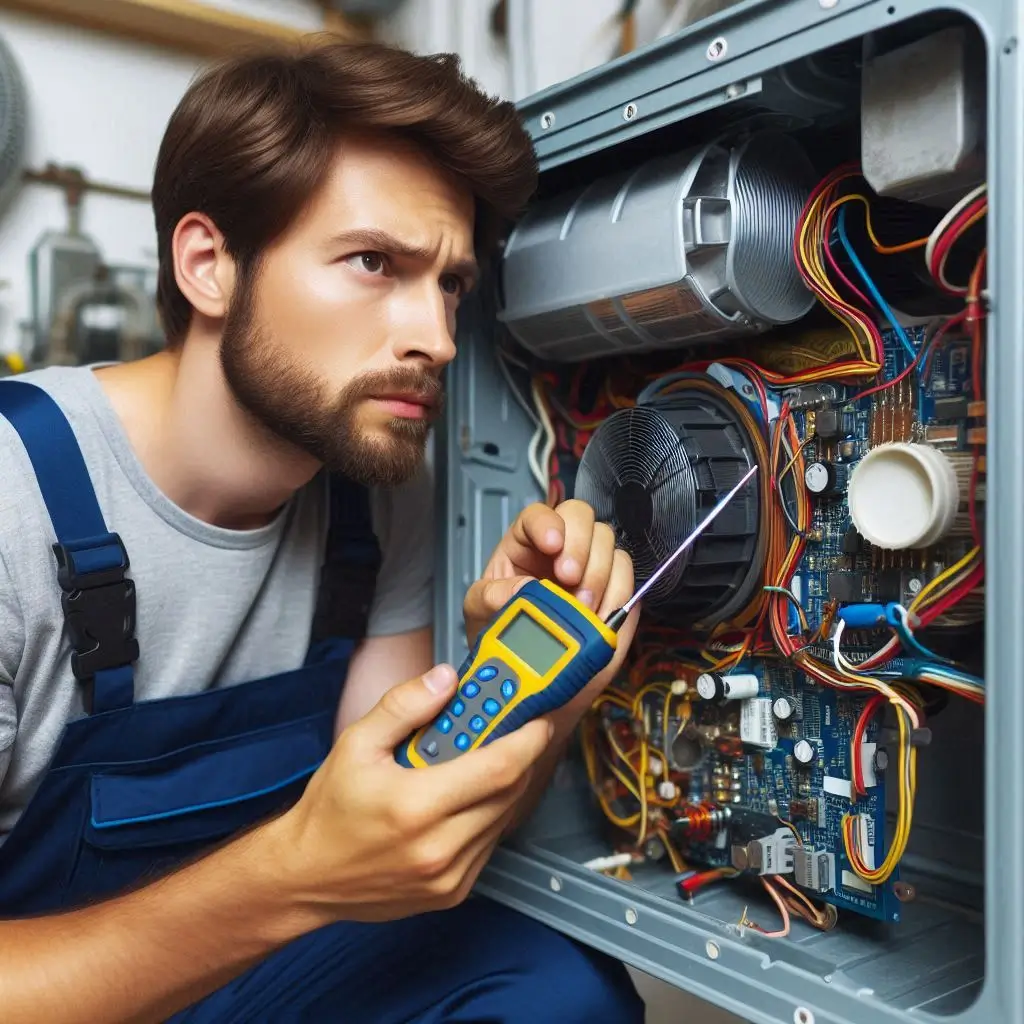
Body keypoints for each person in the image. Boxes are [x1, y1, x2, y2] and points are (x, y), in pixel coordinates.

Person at [0, 38, 645, 1024]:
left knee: (560, 988)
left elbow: (412, 849)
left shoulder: (380, 494)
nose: (433, 335)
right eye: (373, 262)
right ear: (210, 265)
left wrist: (543, 687)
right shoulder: (13, 502)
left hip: (249, 975)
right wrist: (292, 878)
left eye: (451, 285)